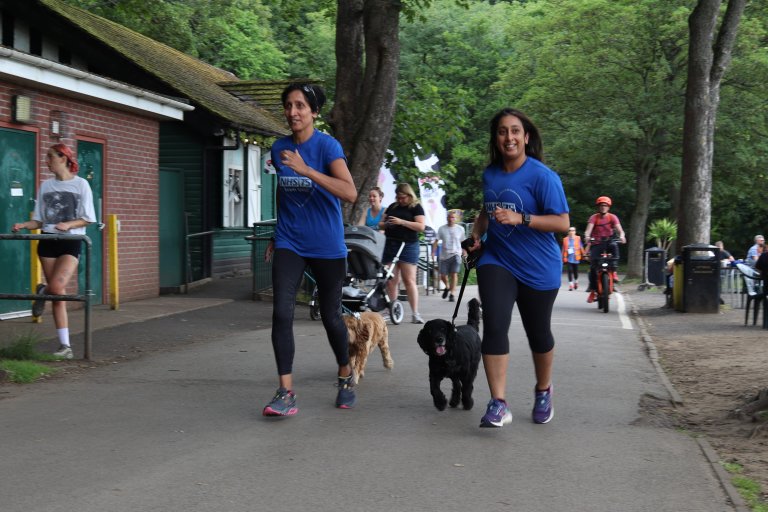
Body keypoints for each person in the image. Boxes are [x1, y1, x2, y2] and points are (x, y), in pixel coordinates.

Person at [464, 108, 569, 428]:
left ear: (526, 137)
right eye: (501, 132)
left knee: (538, 333)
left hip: (539, 267)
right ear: (495, 139)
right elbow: (487, 208)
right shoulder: (490, 174)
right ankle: (498, 402)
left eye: (514, 131)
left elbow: (562, 223)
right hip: (498, 259)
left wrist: (523, 218)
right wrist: (476, 233)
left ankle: (543, 390)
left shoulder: (542, 176)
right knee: (494, 324)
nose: (508, 137)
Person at [262, 83, 358, 417]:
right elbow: (284, 194)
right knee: (282, 312)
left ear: (314, 112)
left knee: (331, 316)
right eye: (288, 106)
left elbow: (349, 192)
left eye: (300, 106)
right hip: (290, 241)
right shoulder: (279, 149)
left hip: (327, 246)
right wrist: (277, 234)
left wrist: (307, 171)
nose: (292, 112)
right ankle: (285, 391)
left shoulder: (327, 146)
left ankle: (345, 375)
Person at [11, 143, 96, 359]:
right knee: (58, 296)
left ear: (63, 158)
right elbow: (39, 220)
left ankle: (42, 292)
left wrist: (68, 225)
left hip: (70, 241)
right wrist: (23, 225)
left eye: (50, 157)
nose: (46, 161)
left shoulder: (81, 184)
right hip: (47, 240)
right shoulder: (46, 186)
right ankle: (65, 346)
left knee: (56, 287)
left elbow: (88, 218)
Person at [379, 183, 426, 324]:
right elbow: (380, 223)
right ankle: (391, 309)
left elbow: (421, 226)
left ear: (409, 195)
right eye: (398, 197)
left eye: (402, 197)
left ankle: (415, 313)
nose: (400, 200)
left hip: (408, 245)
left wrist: (401, 222)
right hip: (391, 244)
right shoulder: (392, 207)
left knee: (409, 280)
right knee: (391, 279)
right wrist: (387, 224)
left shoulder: (416, 207)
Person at [583, 196, 626, 303]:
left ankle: (614, 272)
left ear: (608, 207)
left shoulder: (612, 217)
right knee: (593, 267)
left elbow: (620, 230)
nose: (603, 207)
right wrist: (587, 237)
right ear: (598, 207)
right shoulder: (594, 217)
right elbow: (588, 231)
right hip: (597, 243)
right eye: (601, 205)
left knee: (614, 246)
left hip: (609, 241)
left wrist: (622, 236)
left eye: (605, 206)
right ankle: (593, 291)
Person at [433, 211, 464, 302]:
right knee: (443, 275)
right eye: (449, 217)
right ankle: (447, 287)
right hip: (444, 256)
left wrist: (465, 252)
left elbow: (463, 242)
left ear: (455, 219)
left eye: (453, 218)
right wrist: (433, 252)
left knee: (454, 274)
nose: (451, 219)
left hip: (456, 254)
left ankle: (452, 294)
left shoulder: (460, 229)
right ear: (447, 218)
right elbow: (436, 241)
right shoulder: (442, 229)